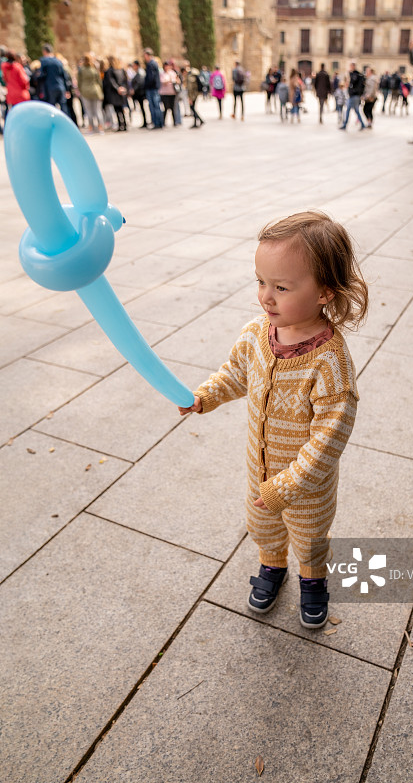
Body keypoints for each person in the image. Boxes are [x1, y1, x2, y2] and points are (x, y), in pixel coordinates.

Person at [177, 211, 368, 629]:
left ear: (324, 293)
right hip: (259, 471)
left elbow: (329, 437)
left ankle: (313, 580)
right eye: (260, 282)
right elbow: (236, 374)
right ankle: (271, 565)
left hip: (305, 485)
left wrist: (290, 485)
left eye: (281, 287)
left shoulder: (330, 362)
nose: (266, 296)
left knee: (310, 537)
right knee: (262, 525)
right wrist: (205, 396)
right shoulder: (256, 333)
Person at [77, 53, 104, 133]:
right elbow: (99, 81)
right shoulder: (94, 68)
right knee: (98, 111)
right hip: (96, 90)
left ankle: (91, 128)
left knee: (89, 111)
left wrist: (81, 91)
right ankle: (100, 128)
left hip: (85, 91)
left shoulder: (81, 70)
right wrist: (101, 91)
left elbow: (79, 82)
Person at [38, 43, 68, 114]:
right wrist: (66, 89)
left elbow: (42, 75)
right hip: (60, 86)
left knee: (52, 109)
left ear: (44, 51)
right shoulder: (58, 61)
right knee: (63, 108)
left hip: (50, 87)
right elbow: (64, 75)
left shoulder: (44, 61)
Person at [104, 56, 128, 131]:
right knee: (121, 109)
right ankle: (124, 124)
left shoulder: (110, 71)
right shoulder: (121, 69)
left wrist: (117, 88)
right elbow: (125, 80)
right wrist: (123, 88)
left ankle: (120, 125)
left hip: (115, 93)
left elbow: (111, 82)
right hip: (121, 91)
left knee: (117, 110)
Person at [339, 61, 365, 131]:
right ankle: (362, 124)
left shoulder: (355, 75)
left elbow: (352, 84)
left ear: (353, 66)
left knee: (347, 110)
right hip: (355, 95)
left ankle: (345, 125)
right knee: (356, 111)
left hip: (354, 95)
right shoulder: (356, 74)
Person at [143, 47, 163, 129]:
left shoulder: (151, 64)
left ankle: (157, 123)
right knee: (156, 106)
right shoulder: (154, 63)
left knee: (154, 106)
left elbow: (151, 78)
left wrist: (146, 85)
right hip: (154, 88)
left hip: (152, 88)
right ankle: (159, 122)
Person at [129, 60, 149, 128]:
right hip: (139, 92)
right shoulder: (137, 72)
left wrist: (134, 89)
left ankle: (146, 122)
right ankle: (145, 121)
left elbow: (140, 82)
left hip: (140, 93)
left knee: (143, 108)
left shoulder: (140, 72)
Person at [159, 61, 178, 126]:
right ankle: (163, 122)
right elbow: (163, 82)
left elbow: (176, 80)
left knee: (173, 108)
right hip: (164, 93)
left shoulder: (172, 73)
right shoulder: (162, 73)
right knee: (166, 107)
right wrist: (170, 80)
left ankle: (175, 121)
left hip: (172, 93)